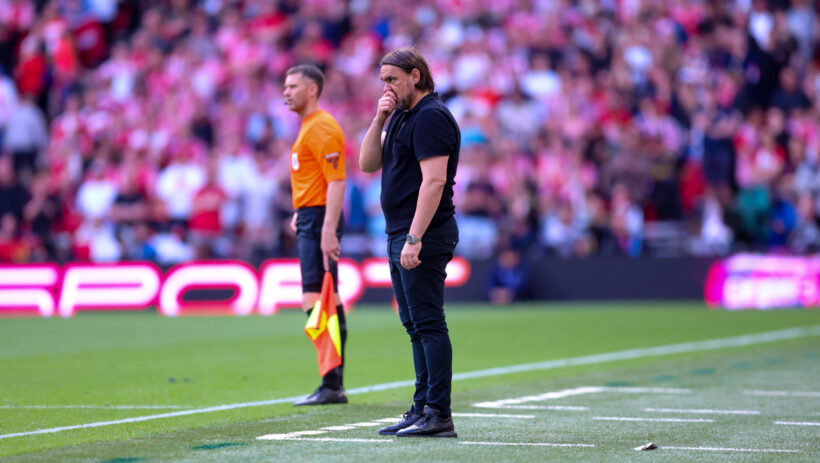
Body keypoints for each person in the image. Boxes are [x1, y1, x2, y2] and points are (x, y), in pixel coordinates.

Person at [359, 47, 460, 438]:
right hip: (399, 231)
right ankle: (422, 408)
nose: (386, 87)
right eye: (383, 80)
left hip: (422, 232)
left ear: (415, 76)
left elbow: (434, 182)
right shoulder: (402, 115)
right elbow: (368, 164)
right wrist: (379, 116)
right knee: (415, 325)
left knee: (429, 323)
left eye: (392, 79)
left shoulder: (431, 116)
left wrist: (415, 237)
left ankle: (439, 413)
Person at [283, 64, 349, 406]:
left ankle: (332, 383)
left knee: (319, 300)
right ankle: (331, 382)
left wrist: (326, 229)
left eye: (293, 86)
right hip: (311, 216)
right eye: (285, 86)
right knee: (325, 299)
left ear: (312, 90)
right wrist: (301, 212)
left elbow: (337, 180)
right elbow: (316, 179)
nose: (286, 92)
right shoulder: (308, 127)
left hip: (321, 218)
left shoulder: (322, 127)